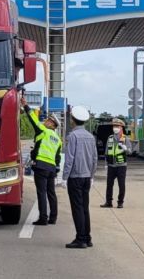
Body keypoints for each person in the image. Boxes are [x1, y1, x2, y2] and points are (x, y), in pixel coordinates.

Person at [21, 96, 62, 225]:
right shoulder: (58, 139)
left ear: (52, 124)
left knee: (41, 193)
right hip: (51, 168)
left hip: (41, 166)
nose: (45, 121)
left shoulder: (43, 131)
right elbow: (58, 157)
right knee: (51, 193)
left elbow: (33, 119)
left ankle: (43, 218)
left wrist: (26, 106)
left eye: (48, 120)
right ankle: (53, 218)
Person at [62, 105, 97, 249]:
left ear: (73, 120)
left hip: (75, 177)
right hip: (87, 177)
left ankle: (80, 238)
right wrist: (92, 175)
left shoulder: (73, 136)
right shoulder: (90, 137)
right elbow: (95, 158)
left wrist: (64, 177)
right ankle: (87, 237)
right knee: (84, 207)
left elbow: (69, 159)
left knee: (77, 208)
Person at [101, 118, 131, 209]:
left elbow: (130, 151)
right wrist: (106, 164)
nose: (115, 128)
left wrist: (126, 149)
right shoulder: (110, 138)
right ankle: (108, 202)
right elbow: (106, 152)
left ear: (121, 127)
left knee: (121, 185)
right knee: (109, 185)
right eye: (114, 126)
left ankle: (120, 202)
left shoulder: (125, 138)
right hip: (111, 166)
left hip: (121, 165)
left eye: (117, 126)